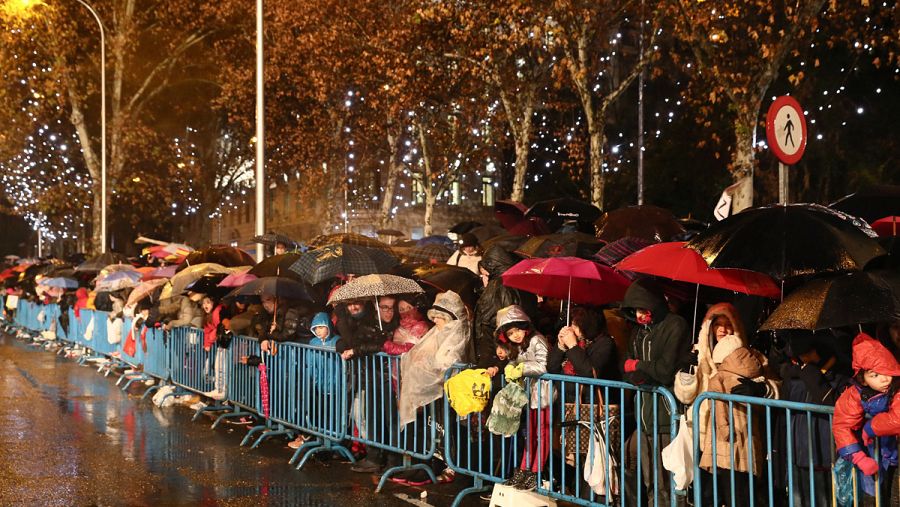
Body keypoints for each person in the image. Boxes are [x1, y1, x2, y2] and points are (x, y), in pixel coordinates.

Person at [620, 278, 691, 507]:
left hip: (667, 415)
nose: (639, 315)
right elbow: (626, 368)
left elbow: (665, 370)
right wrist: (638, 372)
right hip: (644, 417)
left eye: (643, 309)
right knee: (651, 480)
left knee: (670, 480)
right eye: (636, 311)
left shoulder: (675, 325)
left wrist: (638, 366)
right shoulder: (638, 332)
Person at [396, 291, 471, 485]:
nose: (435, 320)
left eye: (439, 316)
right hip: (436, 391)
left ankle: (452, 467)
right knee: (436, 430)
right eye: (434, 316)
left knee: (449, 431)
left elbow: (446, 360)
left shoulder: (457, 332)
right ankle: (433, 463)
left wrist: (426, 363)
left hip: (452, 392)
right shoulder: (439, 332)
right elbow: (421, 353)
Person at [778, 330, 850, 507]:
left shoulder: (840, 375)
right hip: (798, 452)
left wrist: (815, 376)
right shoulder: (795, 376)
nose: (805, 358)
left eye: (809, 352)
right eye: (801, 354)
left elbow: (834, 404)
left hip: (826, 453)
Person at [698, 335, 766, 506]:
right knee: (747, 491)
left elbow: (718, 408)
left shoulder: (719, 378)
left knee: (731, 493)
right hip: (748, 438)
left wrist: (725, 430)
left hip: (728, 442)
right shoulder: (755, 373)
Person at [834, 332, 900, 504]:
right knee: (873, 498)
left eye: (886, 371)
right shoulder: (854, 395)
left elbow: (897, 419)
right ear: (862, 379)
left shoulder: (896, 388)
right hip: (871, 455)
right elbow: (842, 425)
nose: (884, 379)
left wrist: (870, 427)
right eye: (874, 375)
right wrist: (858, 457)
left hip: (894, 453)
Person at [498, 305, 551, 492]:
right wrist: (511, 366)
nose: (515, 336)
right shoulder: (519, 345)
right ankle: (524, 468)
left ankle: (536, 471)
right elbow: (517, 360)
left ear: (524, 327)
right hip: (530, 394)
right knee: (530, 433)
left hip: (544, 394)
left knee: (542, 434)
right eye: (510, 334)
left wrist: (521, 369)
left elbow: (544, 365)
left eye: (517, 330)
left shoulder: (537, 339)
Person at [473, 246, 537, 365]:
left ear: (492, 266)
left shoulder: (498, 287)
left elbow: (489, 322)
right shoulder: (520, 281)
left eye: (485, 275)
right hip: (517, 347)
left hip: (497, 351)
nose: (483, 279)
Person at [200, 295, 227, 401]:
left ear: (213, 302)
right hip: (219, 343)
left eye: (208, 302)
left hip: (224, 342)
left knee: (221, 367)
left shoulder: (217, 311)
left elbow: (219, 328)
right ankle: (218, 389)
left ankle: (221, 391)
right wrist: (207, 344)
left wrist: (210, 340)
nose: (205, 305)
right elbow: (207, 330)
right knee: (217, 366)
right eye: (203, 303)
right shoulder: (207, 315)